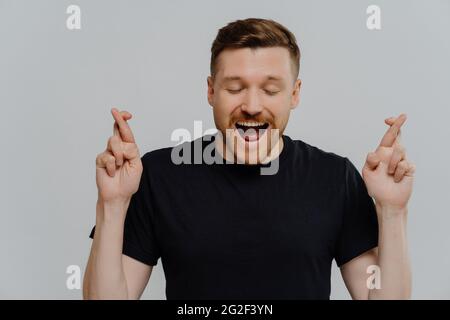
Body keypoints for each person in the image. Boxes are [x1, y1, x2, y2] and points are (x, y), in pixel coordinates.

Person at [83, 18, 415, 300]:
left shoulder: (334, 177)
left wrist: (393, 212)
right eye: (234, 88)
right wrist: (112, 204)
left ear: (294, 94)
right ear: (211, 91)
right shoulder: (158, 176)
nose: (252, 105)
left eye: (270, 90)